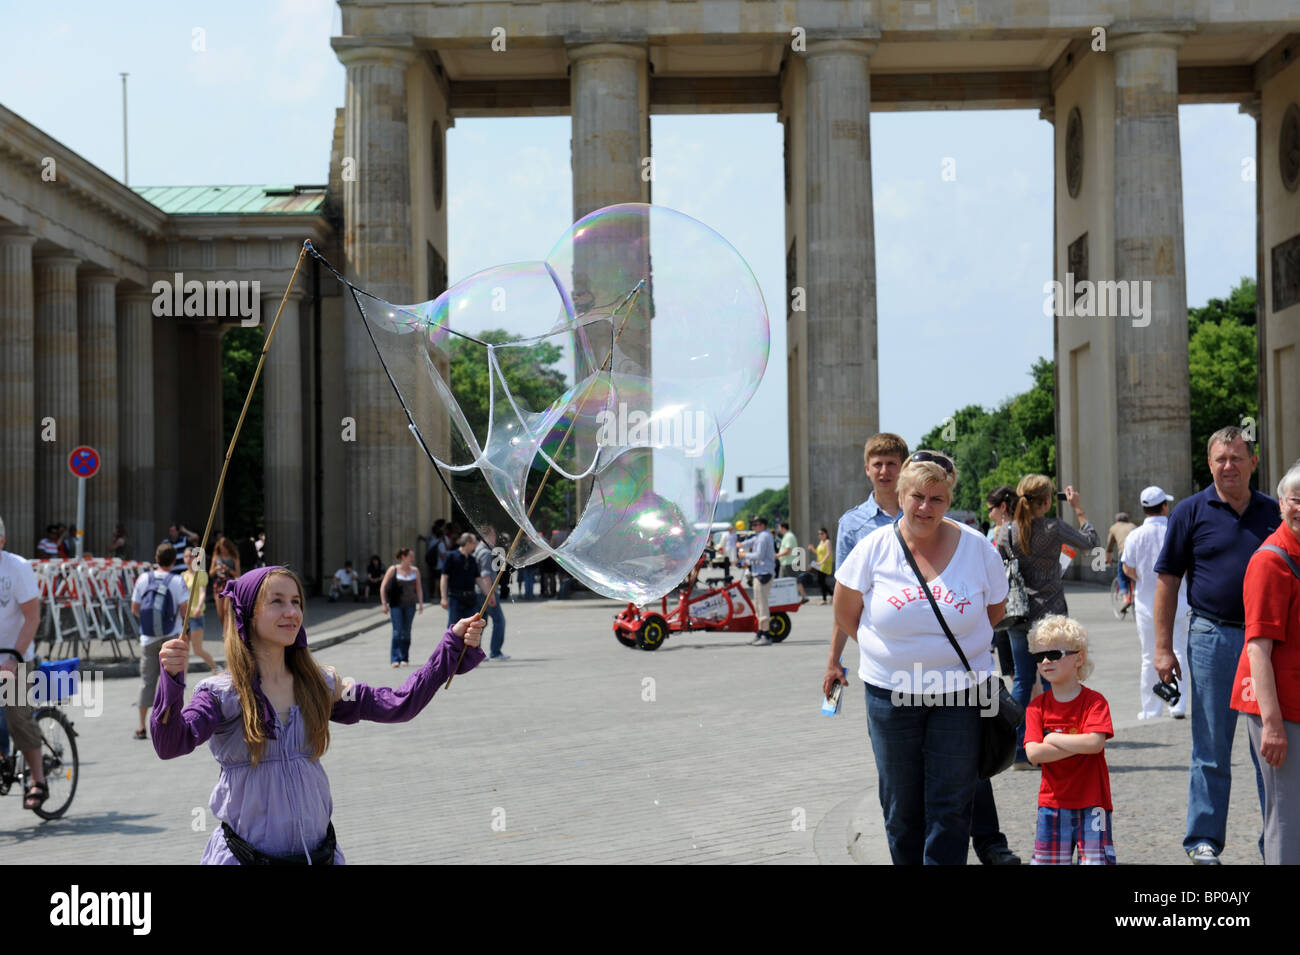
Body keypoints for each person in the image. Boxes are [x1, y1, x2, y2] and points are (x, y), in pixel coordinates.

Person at [150, 565, 485, 864]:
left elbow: (399, 704)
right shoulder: (221, 694)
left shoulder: (320, 684)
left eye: (296, 602)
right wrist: (171, 678)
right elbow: (170, 743)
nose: (291, 611)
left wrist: (451, 647)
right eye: (277, 601)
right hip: (244, 858)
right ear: (248, 613)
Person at [828, 452, 1009, 865]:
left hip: (959, 693)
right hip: (891, 694)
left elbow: (994, 610)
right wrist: (887, 652)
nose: (926, 507)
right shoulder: (874, 548)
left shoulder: (978, 548)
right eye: (917, 497)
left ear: (949, 501)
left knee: (952, 802)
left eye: (937, 499)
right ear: (901, 495)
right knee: (901, 805)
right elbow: (844, 613)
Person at [1153, 426, 1280, 865]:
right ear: (1209, 464)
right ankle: (1203, 840)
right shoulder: (1189, 511)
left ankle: (1277, 842)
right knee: (1210, 747)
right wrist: (1163, 648)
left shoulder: (1277, 512)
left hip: (1270, 642)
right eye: (1220, 459)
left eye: (1237, 457)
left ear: (1253, 462)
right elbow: (1167, 581)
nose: (1229, 466)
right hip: (1212, 637)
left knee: (1273, 745)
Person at [999, 474, 1098, 765]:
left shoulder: (1007, 531)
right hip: (1051, 616)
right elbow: (1091, 542)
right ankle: (1056, 739)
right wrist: (1078, 509)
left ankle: (1018, 748)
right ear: (1045, 501)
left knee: (1023, 680)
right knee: (1056, 678)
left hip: (1019, 614)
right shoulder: (1054, 528)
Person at [1230, 462, 1300, 865]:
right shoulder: (1270, 561)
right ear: (1280, 504)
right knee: (1287, 818)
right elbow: (1258, 647)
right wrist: (1271, 725)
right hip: (1281, 709)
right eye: (1296, 500)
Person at [1023, 615, 1115, 865]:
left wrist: (1051, 737)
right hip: (1052, 803)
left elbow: (1095, 744)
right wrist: (1079, 744)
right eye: (1038, 656)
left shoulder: (1094, 702)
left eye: (1054, 654)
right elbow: (1033, 754)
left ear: (1079, 658)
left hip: (1093, 802)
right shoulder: (1035, 708)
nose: (1044, 661)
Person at [1120, 487, 1188, 720]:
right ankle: (1177, 704)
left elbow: (1127, 567)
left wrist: (1147, 579)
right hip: (1179, 600)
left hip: (1147, 604)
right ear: (1164, 506)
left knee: (1149, 655)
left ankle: (1151, 708)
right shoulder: (1175, 529)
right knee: (1179, 650)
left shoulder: (1135, 536)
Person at [0, 517, 48, 812]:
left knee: (18, 717)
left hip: (16, 658)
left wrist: (13, 660)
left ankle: (38, 780)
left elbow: (32, 618)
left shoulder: (16, 568)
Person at [131, 543, 191, 740]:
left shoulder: (142, 578)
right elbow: (184, 610)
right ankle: (167, 721)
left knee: (146, 681)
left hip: (147, 639)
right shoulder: (176, 581)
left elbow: (135, 609)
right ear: (174, 561)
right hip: (170, 637)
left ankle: (141, 726)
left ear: (156, 559)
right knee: (170, 682)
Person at [379, 548, 423, 667]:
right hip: (396, 605)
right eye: (410, 556)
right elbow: (382, 587)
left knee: (406, 632)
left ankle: (404, 657)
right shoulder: (393, 569)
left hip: (410, 605)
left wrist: (421, 603)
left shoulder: (415, 571)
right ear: (403, 557)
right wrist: (384, 603)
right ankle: (395, 658)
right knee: (397, 631)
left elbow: (418, 588)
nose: (413, 559)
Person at [473, 526, 509, 660]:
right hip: (486, 592)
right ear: (487, 536)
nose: (495, 538)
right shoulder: (486, 553)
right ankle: (495, 651)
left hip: (479, 592)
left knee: (481, 623)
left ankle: (477, 653)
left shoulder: (477, 550)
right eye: (493, 535)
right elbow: (485, 576)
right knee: (499, 621)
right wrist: (491, 595)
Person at [739, 516, 776, 645]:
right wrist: (742, 544)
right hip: (760, 574)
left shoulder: (764, 536)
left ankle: (766, 635)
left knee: (762, 605)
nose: (753, 527)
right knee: (758, 606)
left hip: (763, 574)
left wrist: (744, 555)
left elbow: (759, 555)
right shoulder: (761, 536)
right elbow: (752, 541)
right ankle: (760, 632)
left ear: (762, 525)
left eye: (755, 524)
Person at [181, 547, 218, 672]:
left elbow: (202, 593)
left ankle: (215, 667)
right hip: (184, 616)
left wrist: (198, 607)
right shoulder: (182, 575)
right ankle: (182, 681)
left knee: (197, 650)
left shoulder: (200, 573)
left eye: (191, 556)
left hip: (196, 615)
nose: (188, 559)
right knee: (184, 651)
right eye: (186, 556)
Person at [441, 533, 481, 632]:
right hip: (455, 598)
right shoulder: (451, 556)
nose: (476, 545)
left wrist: (489, 594)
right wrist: (444, 598)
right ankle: (452, 648)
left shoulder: (472, 559)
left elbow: (478, 579)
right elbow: (444, 577)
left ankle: (471, 648)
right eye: (474, 543)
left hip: (470, 599)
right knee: (454, 629)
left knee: (471, 629)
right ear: (468, 543)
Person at [1106, 511, 1137, 610]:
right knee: (1136, 574)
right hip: (1137, 552)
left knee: (1121, 575)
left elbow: (1109, 546)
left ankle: (1125, 598)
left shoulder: (1114, 527)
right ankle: (1135, 595)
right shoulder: (1133, 526)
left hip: (1124, 552)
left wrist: (1108, 559)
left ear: (1117, 520)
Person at [210, 537, 241, 634]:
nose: (223, 550)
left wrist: (228, 569)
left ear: (228, 548)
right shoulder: (216, 557)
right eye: (221, 548)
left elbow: (238, 574)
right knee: (220, 612)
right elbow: (210, 573)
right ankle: (225, 628)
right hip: (218, 584)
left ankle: (226, 632)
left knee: (226, 609)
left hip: (229, 584)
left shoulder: (234, 557)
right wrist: (216, 568)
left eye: (224, 548)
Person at [776, 521, 807, 602]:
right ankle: (787, 598)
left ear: (783, 528)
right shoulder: (787, 536)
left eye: (779, 527)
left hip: (789, 562)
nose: (778, 529)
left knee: (793, 581)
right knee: (784, 581)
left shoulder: (789, 536)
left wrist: (777, 555)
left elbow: (788, 550)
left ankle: (803, 596)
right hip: (786, 562)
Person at [813, 527, 833, 604]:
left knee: (821, 581)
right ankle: (827, 597)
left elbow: (828, 553)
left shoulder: (827, 542)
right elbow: (818, 553)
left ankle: (827, 597)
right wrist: (812, 549)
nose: (820, 535)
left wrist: (821, 562)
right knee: (821, 581)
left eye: (822, 533)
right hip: (820, 564)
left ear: (826, 534)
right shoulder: (821, 542)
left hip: (825, 564)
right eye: (819, 534)